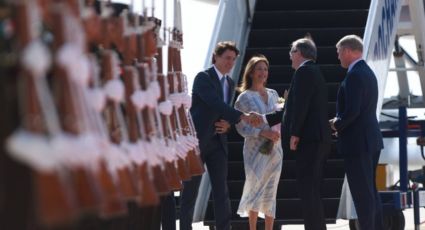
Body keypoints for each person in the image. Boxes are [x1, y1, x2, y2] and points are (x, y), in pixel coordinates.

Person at [179, 41, 261, 230]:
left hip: (218, 143)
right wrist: (240, 117)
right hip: (198, 143)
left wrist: (228, 123)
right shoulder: (203, 77)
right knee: (190, 192)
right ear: (216, 57)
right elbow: (215, 103)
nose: (230, 63)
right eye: (226, 58)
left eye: (233, 59)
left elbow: (224, 111)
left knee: (221, 191)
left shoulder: (230, 83)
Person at [265, 37, 331, 230]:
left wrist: (295, 133)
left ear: (299, 53)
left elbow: (301, 105)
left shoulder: (303, 72)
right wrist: (266, 118)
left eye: (292, 52)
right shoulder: (315, 71)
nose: (290, 56)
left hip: (309, 140)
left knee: (308, 191)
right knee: (313, 191)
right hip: (319, 140)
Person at [330, 34, 384, 230]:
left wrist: (336, 124)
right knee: (370, 192)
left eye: (339, 53)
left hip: (358, 143)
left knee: (362, 194)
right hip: (370, 140)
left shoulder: (354, 75)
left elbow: (353, 111)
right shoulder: (367, 72)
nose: (338, 57)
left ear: (347, 51)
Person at [234, 55, 283, 230]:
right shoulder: (244, 98)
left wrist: (278, 132)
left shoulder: (273, 94)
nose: (263, 72)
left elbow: (279, 118)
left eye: (265, 69)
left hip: (275, 149)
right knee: (255, 188)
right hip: (255, 150)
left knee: (271, 190)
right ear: (251, 73)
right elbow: (240, 127)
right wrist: (262, 132)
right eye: (259, 69)